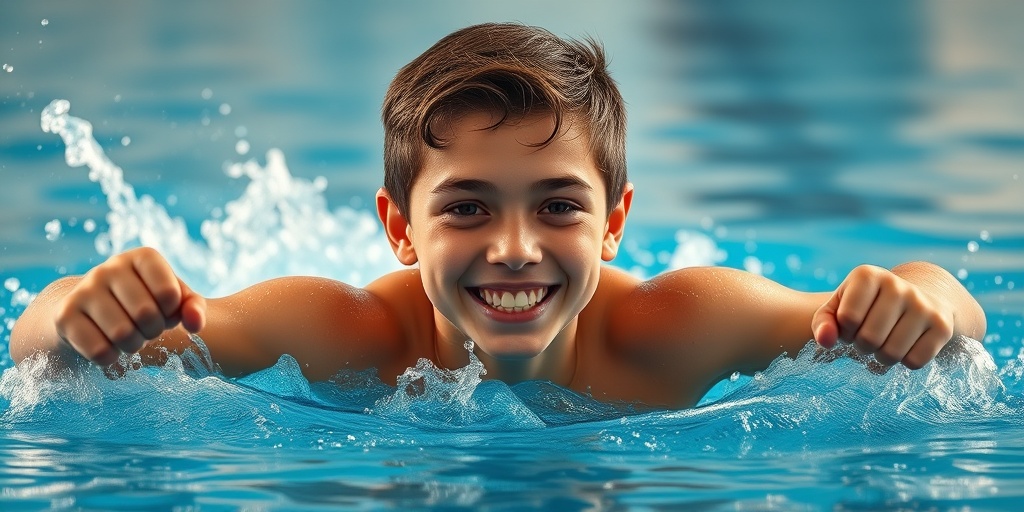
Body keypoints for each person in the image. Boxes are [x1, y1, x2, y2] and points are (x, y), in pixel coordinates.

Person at [10, 23, 986, 408]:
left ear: (613, 223)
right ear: (400, 228)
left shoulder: (679, 328)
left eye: (557, 205)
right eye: (467, 206)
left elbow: (946, 313)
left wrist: (921, 301)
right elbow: (42, 341)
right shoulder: (352, 336)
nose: (513, 247)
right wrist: (82, 308)